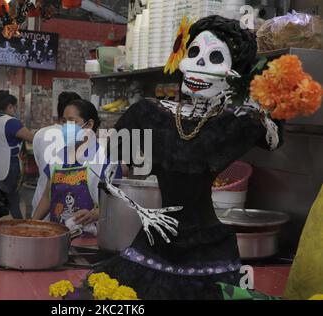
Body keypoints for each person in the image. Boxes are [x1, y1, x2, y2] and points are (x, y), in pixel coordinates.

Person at [88, 15, 282, 300]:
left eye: (215, 57)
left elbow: (273, 141)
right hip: (156, 243)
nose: (199, 64)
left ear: (233, 74)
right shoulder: (150, 113)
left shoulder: (230, 123)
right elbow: (110, 162)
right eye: (194, 53)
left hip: (208, 249)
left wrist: (258, 105)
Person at [32, 99, 120, 235]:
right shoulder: (58, 156)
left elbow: (117, 205)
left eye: (72, 121)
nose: (66, 127)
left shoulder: (105, 160)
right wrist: (32, 224)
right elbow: (47, 197)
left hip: (92, 238)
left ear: (89, 124)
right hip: (58, 236)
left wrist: (95, 214)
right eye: (64, 121)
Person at [31, 91, 82, 217]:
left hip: (40, 204)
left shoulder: (40, 134)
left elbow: (41, 166)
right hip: (65, 210)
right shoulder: (77, 140)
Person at [0, 90, 34, 219]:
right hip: (10, 165)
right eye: (15, 107)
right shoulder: (11, 122)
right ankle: (18, 225)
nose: (16, 110)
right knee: (13, 198)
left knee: (2, 197)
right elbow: (32, 138)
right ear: (10, 107)